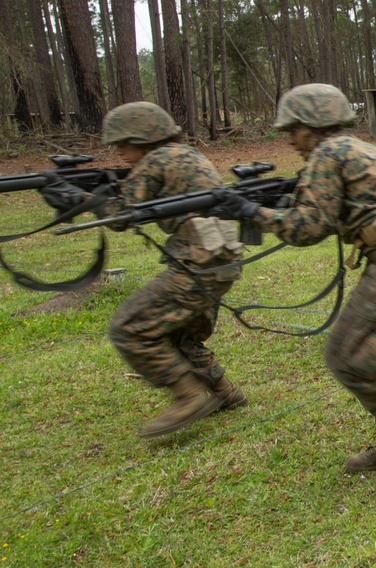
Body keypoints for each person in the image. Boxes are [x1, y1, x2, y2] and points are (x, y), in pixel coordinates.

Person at [207, 84, 376, 473]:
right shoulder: (355, 147)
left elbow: (306, 229)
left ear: (314, 124)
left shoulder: (328, 153)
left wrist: (252, 212)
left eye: (294, 130)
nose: (290, 140)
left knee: (345, 356)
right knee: (369, 354)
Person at [101, 102, 247, 438]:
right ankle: (227, 393)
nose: (120, 152)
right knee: (182, 334)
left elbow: (121, 217)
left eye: (123, 144)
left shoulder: (155, 161)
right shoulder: (187, 154)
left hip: (197, 264)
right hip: (222, 260)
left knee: (128, 328)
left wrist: (78, 196)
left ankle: (189, 396)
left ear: (143, 136)